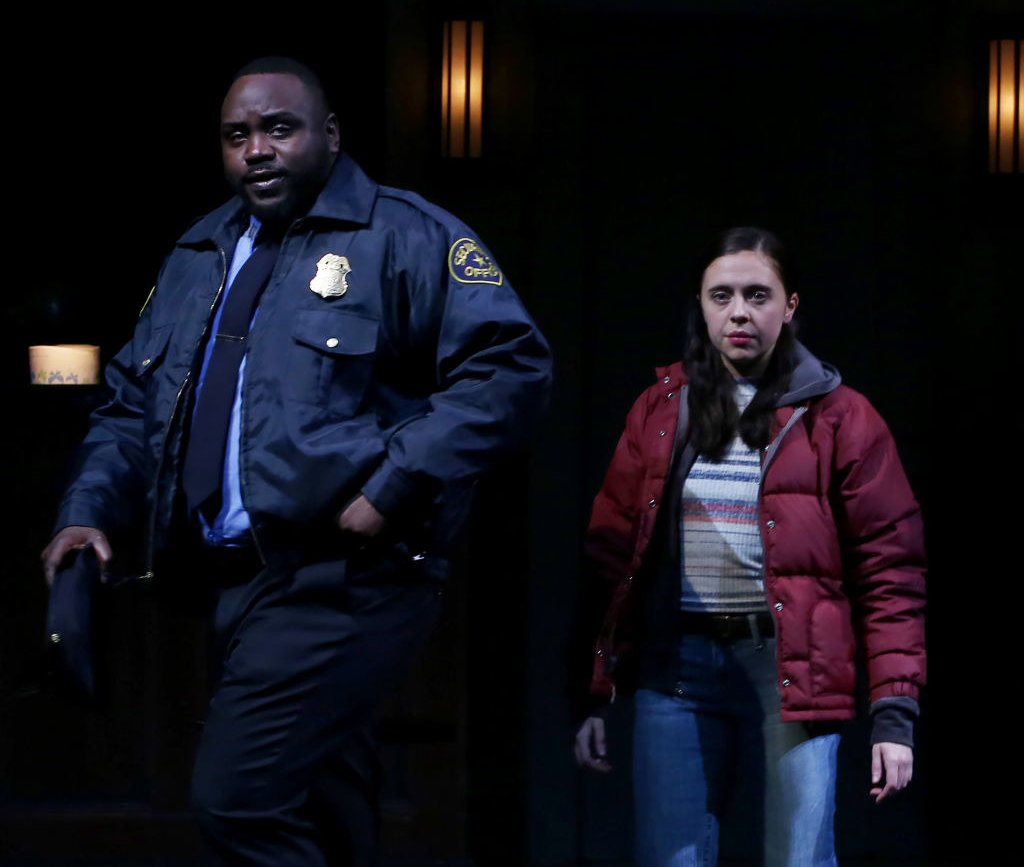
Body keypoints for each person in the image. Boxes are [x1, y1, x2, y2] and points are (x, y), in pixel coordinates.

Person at [41, 56, 551, 866]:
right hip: (238, 581)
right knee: (324, 808)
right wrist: (86, 511)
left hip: (348, 573)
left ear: (329, 135)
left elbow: (512, 366)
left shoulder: (405, 235)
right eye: (237, 136)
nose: (257, 151)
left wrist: (396, 479)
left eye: (279, 128)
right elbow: (132, 406)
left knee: (237, 802)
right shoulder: (198, 253)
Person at [573, 227, 925, 866]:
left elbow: (890, 570)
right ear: (701, 305)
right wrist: (592, 694)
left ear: (790, 305)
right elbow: (610, 560)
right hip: (675, 670)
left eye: (758, 295)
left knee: (799, 857)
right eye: (722, 295)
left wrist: (894, 716)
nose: (738, 312)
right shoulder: (658, 411)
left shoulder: (842, 418)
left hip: (790, 668)